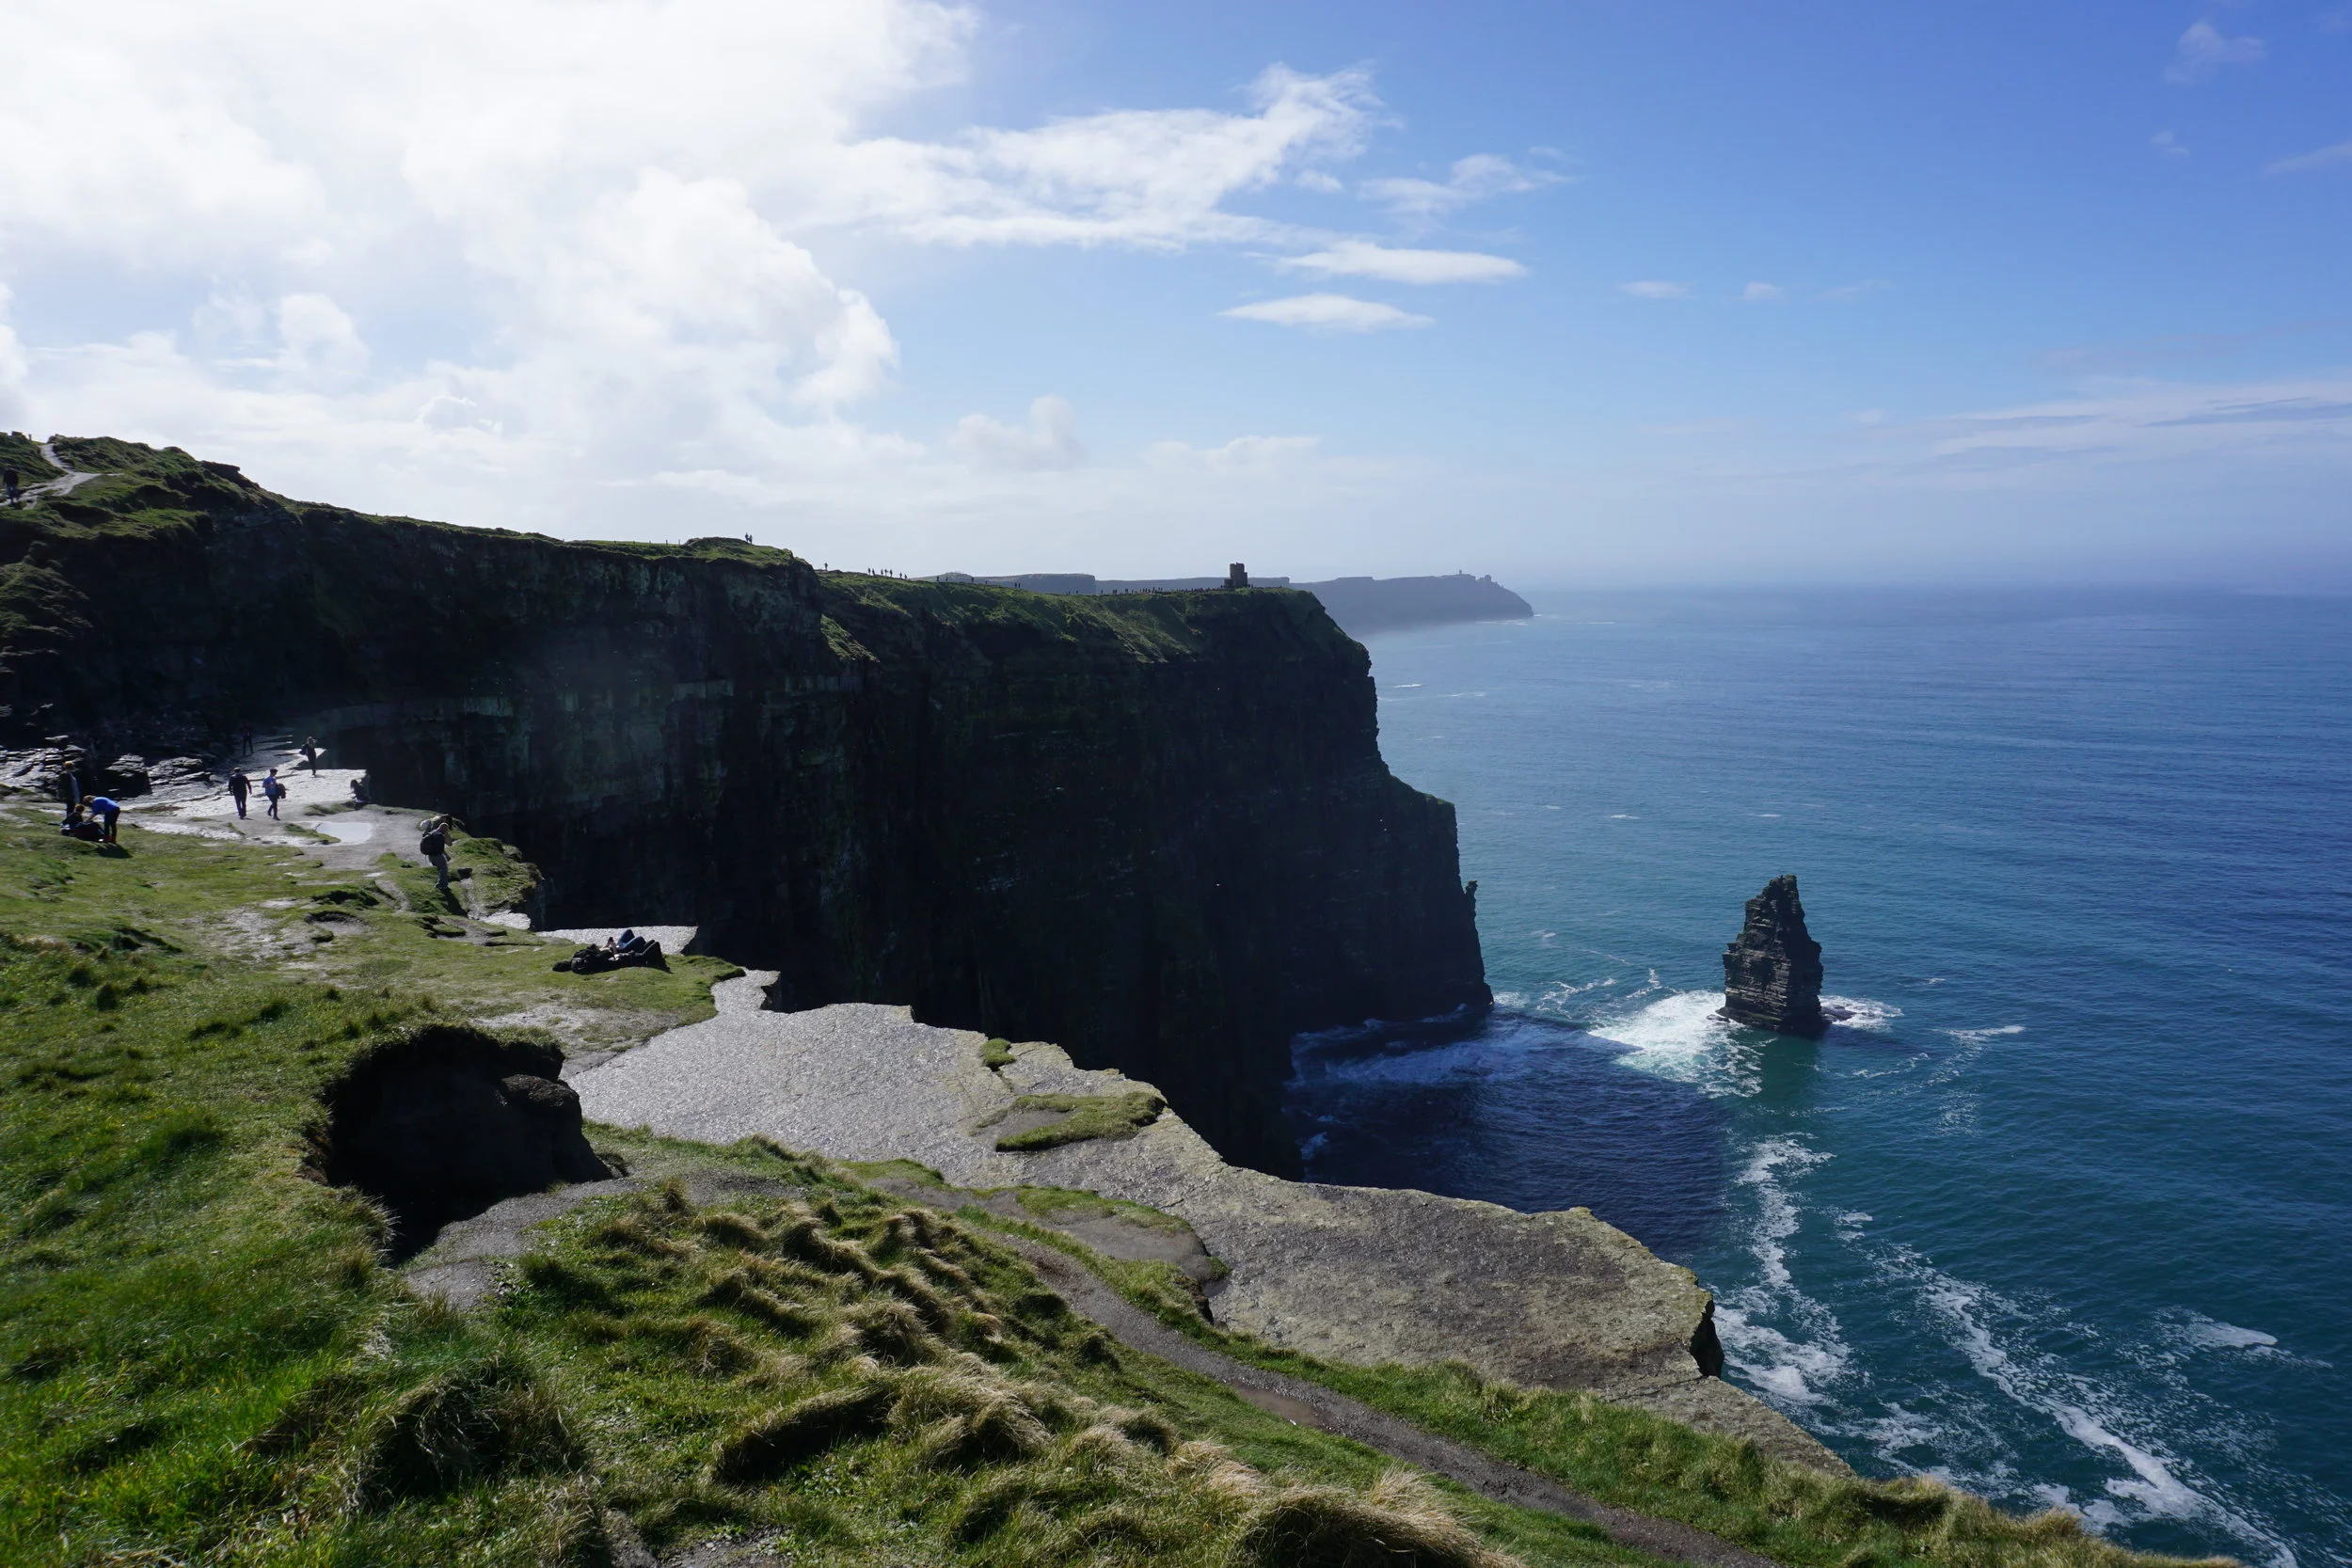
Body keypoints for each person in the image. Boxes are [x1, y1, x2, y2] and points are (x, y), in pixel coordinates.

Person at [419, 815, 453, 893]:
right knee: (443, 869)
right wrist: (446, 856)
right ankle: (442, 885)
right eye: (446, 829)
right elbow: (441, 847)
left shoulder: (433, 832)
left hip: (430, 855)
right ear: (444, 828)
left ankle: (439, 883)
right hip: (436, 855)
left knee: (439, 869)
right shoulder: (439, 835)